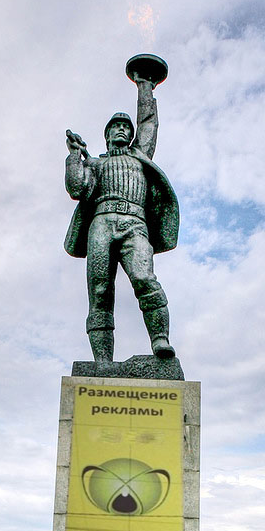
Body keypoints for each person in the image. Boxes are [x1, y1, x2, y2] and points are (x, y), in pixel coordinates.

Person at [64, 72, 180, 364]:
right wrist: (75, 158)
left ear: (130, 134)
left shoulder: (140, 154)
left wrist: (145, 87)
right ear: (106, 134)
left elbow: (149, 123)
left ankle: (160, 339)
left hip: (135, 225)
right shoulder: (96, 163)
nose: (120, 130)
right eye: (114, 126)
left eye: (124, 126)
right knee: (100, 290)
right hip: (101, 224)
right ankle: (103, 361)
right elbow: (77, 189)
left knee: (144, 277)